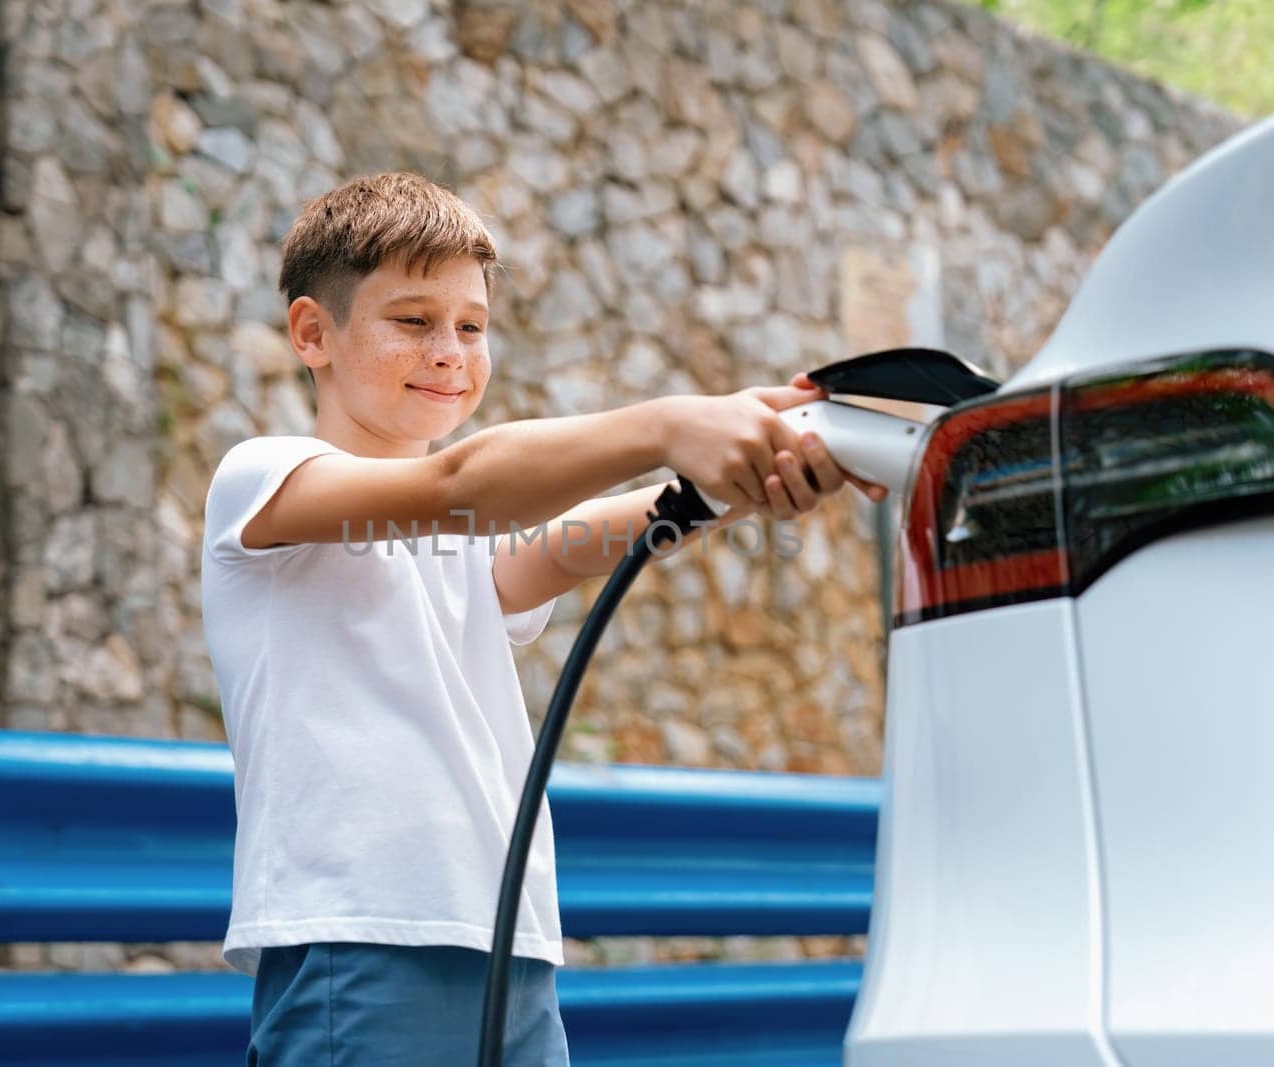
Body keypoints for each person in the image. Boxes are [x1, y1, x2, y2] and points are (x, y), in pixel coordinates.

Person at [200, 171, 886, 1066]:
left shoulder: (455, 537)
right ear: (312, 333)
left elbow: (558, 544)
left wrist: (736, 485)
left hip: (509, 948)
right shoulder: (266, 478)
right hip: (360, 935)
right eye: (413, 320)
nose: (450, 350)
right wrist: (670, 422)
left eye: (472, 327)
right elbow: (461, 490)